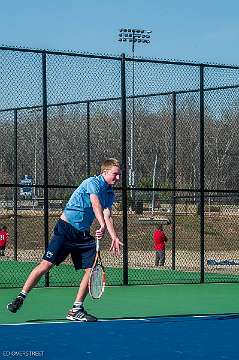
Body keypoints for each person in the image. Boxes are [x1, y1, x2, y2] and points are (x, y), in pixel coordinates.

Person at [7, 158, 123, 322]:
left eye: (119, 175)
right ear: (105, 172)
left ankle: (76, 309)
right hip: (65, 229)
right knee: (46, 265)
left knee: (91, 270)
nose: (118, 178)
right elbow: (95, 204)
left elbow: (107, 213)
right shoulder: (92, 182)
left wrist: (114, 236)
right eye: (115, 174)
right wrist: (102, 225)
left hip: (82, 235)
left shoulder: (109, 193)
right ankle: (21, 297)